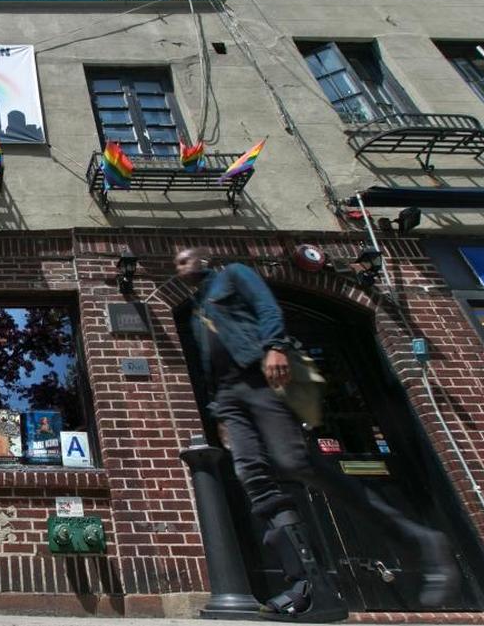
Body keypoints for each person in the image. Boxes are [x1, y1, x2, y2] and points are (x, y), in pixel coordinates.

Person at [174, 247, 458, 622]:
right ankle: (305, 583)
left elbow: (268, 309)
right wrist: (220, 414)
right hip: (228, 397)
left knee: (294, 461)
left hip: (260, 380)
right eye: (177, 263)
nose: (181, 267)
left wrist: (274, 346)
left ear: (203, 259)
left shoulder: (235, 274)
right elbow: (211, 360)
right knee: (253, 477)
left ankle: (419, 541)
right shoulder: (197, 308)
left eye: (185, 259)